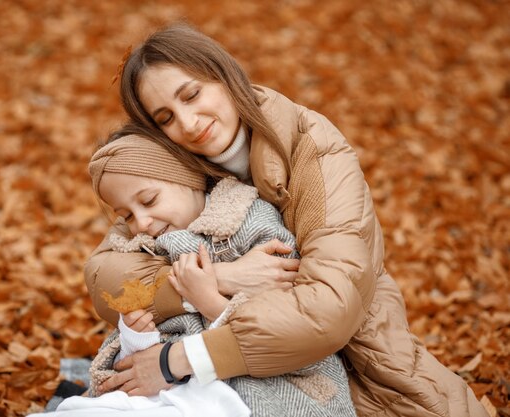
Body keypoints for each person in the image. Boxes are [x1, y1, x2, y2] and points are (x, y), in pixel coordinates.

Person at [85, 24, 487, 417]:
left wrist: (180, 359)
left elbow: (327, 310)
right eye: (166, 119)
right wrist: (223, 279)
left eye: (192, 95)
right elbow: (107, 276)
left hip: (355, 364)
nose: (188, 124)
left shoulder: (313, 147)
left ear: (225, 76)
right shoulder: (174, 174)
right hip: (228, 373)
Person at [83, 132, 356, 417]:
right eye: (126, 215)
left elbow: (288, 331)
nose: (141, 222)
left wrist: (209, 301)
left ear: (188, 177)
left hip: (255, 385)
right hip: (175, 388)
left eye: (149, 201)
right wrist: (137, 337)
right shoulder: (145, 248)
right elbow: (145, 363)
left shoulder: (252, 224)